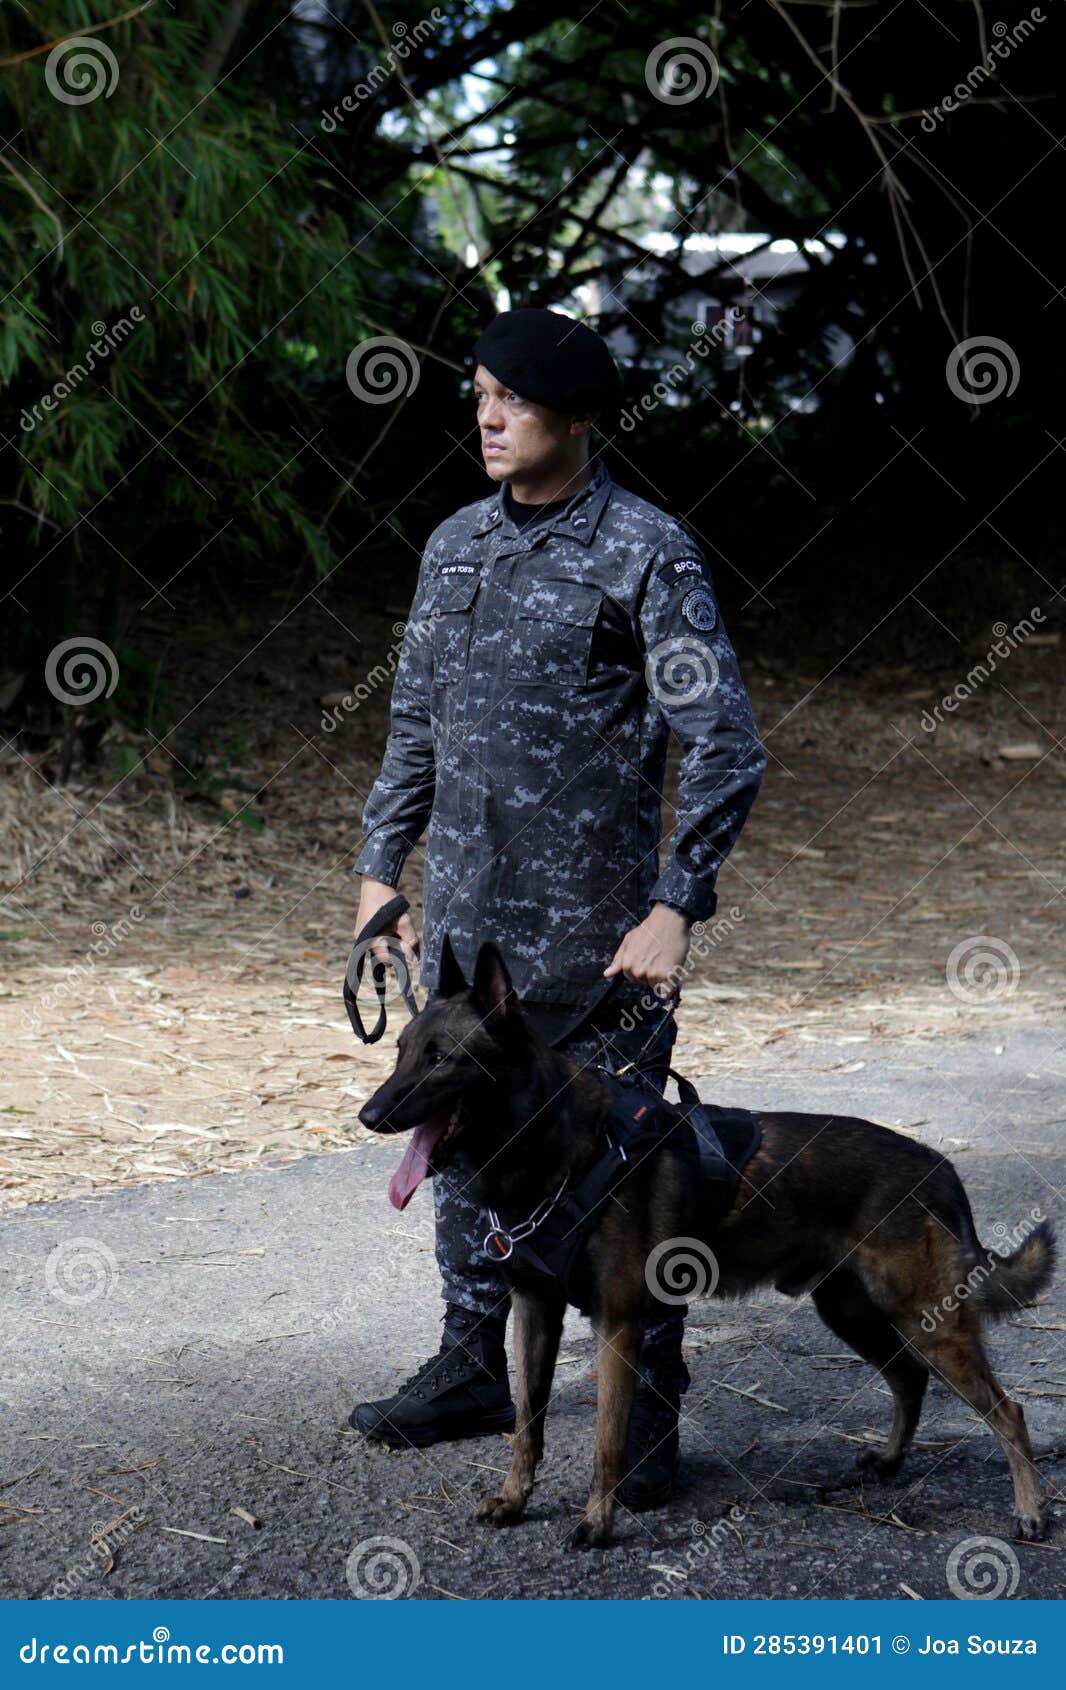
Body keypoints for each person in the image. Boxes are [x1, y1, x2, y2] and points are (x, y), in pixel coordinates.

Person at [349, 306, 765, 1508]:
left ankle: (643, 1424)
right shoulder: (454, 547)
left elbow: (723, 743)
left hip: (600, 950)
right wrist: (385, 874)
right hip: (467, 940)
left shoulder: (646, 551)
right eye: (478, 392)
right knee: (462, 1147)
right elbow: (412, 723)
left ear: (576, 418)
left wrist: (676, 904)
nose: (486, 415)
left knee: (633, 1180)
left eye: (513, 399)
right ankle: (474, 1366)